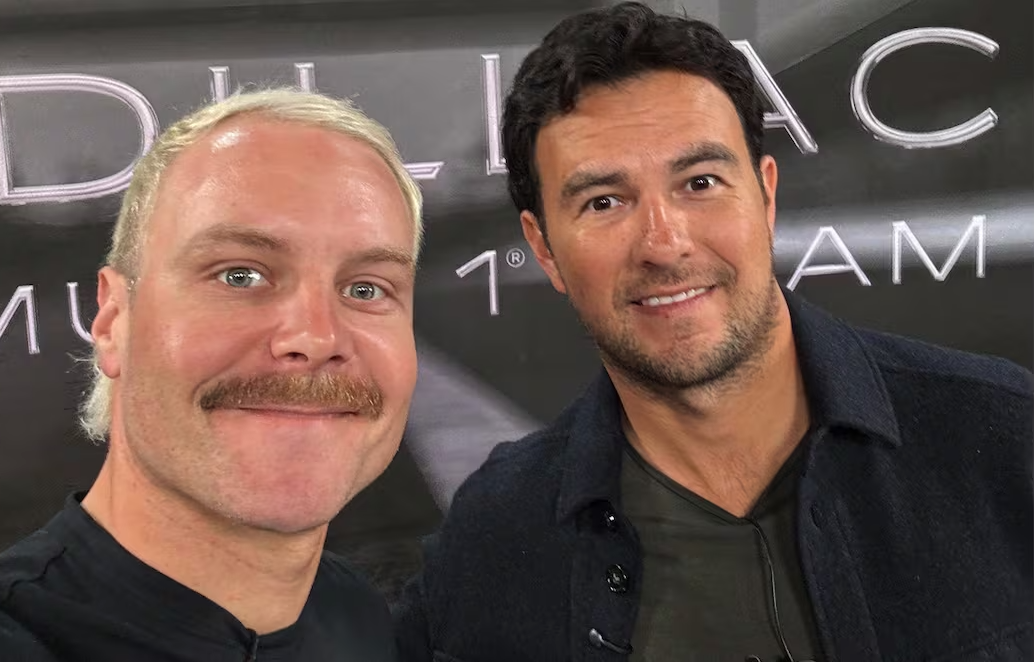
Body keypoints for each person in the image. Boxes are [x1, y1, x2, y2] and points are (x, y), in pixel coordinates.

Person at [394, 4, 1033, 661]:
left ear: (765, 197)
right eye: (603, 202)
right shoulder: (495, 536)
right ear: (545, 249)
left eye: (700, 182)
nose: (663, 244)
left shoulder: (1007, 439)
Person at [0, 89, 422, 661]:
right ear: (114, 321)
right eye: (239, 275)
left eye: (366, 288)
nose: (317, 339)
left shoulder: (359, 614)